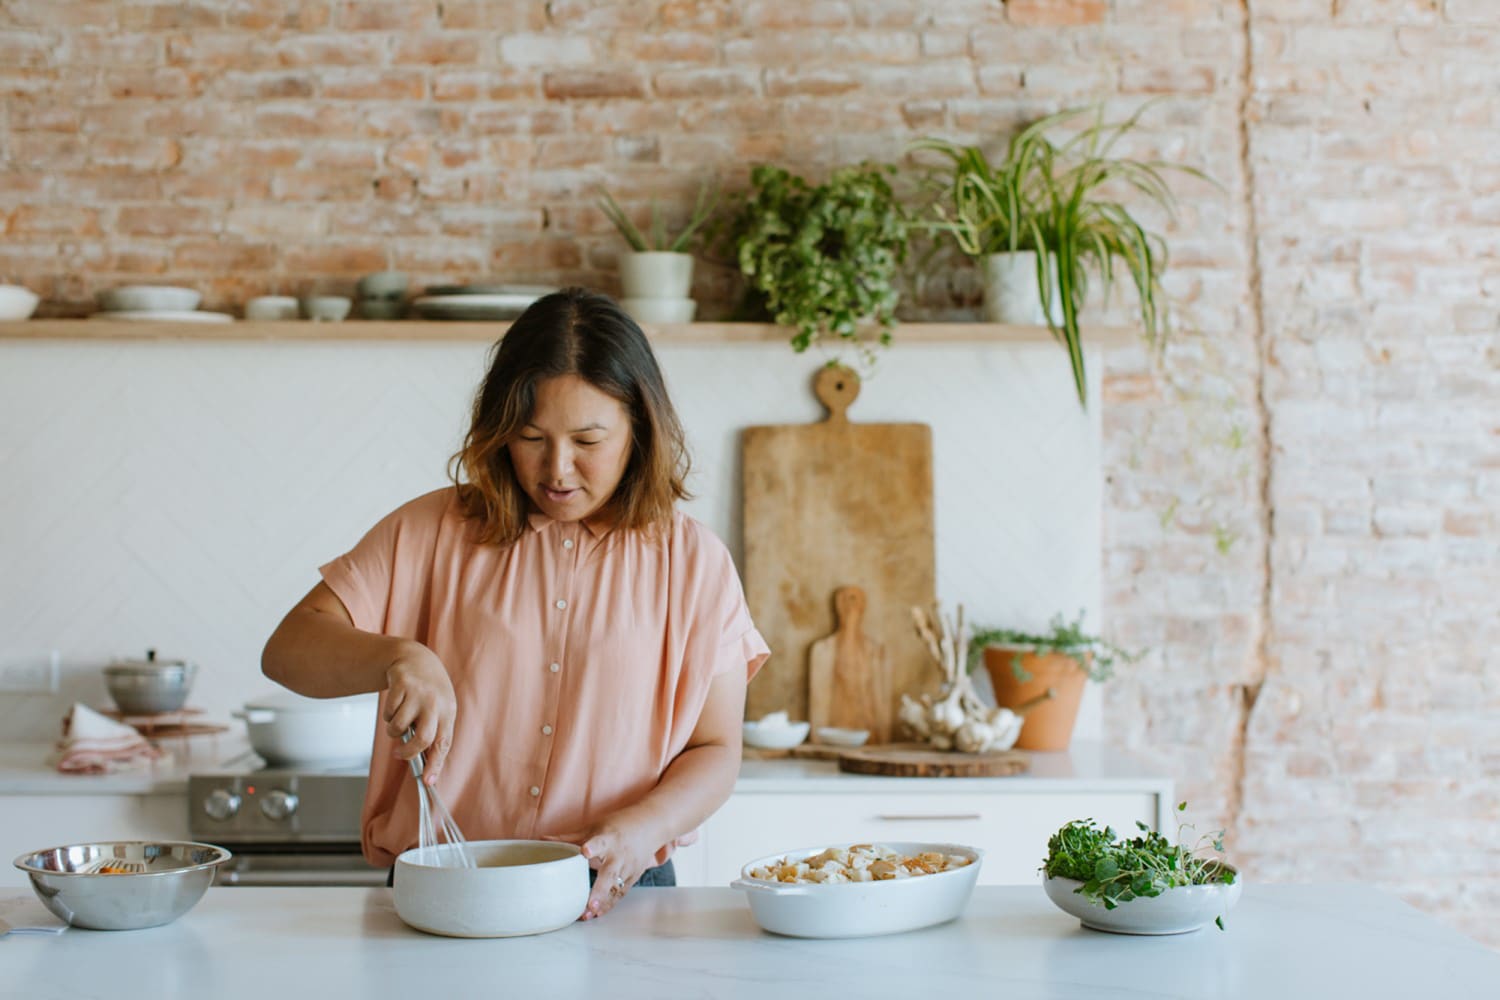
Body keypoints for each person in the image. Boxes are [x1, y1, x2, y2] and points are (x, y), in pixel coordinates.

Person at [261, 287, 769, 920]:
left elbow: (716, 750)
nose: (557, 469)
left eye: (588, 441)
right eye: (532, 437)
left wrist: (644, 827)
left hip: (617, 888)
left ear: (640, 429)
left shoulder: (696, 563)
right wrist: (398, 657)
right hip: (445, 885)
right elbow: (288, 650)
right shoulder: (430, 529)